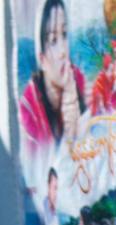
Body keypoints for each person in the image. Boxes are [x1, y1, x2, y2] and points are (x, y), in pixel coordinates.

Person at [19, 0, 86, 164]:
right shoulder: (28, 110)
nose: (63, 51)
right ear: (41, 58)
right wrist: (69, 134)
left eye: (64, 34)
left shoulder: (77, 80)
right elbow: (40, 170)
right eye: (53, 40)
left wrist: (76, 118)